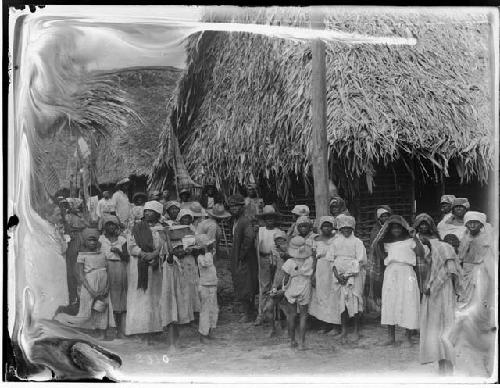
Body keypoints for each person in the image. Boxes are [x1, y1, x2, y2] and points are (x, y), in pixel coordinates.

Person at [444, 211, 496, 376]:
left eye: (475, 223)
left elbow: (489, 258)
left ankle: (478, 332)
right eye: (469, 223)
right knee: (464, 302)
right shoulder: (465, 237)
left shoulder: (486, 239)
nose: (472, 225)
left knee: (479, 301)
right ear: (466, 224)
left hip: (480, 271)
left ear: (481, 225)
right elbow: (461, 256)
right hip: (466, 271)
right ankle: (462, 333)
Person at [372, 215, 427, 346]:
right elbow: (379, 253)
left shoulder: (411, 241)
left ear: (403, 229)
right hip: (391, 272)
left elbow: (421, 253)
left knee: (408, 302)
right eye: (393, 228)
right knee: (390, 302)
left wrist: (415, 237)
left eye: (398, 227)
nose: (396, 230)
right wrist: (378, 241)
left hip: (407, 272)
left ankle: (408, 337)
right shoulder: (387, 243)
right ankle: (391, 338)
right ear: (389, 230)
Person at [55, 228, 115, 339]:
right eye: (89, 240)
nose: (92, 243)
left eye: (94, 240)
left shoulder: (102, 254)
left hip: (103, 282)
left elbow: (107, 270)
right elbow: (80, 274)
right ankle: (62, 318)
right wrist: (90, 289)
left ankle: (101, 332)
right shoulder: (82, 255)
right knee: (86, 313)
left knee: (101, 308)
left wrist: (106, 287)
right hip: (89, 283)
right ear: (85, 242)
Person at [419, 233, 462, 375]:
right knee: (436, 327)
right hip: (435, 294)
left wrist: (432, 287)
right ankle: (441, 363)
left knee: (447, 328)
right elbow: (430, 273)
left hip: (444, 293)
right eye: (448, 242)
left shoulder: (451, 262)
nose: (450, 246)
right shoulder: (434, 258)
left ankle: (449, 365)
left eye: (453, 244)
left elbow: (450, 276)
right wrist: (429, 286)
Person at [126, 201, 167, 341]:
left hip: (155, 267)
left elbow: (164, 247)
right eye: (146, 211)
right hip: (139, 265)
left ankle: (154, 330)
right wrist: (144, 254)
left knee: (154, 298)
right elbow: (131, 246)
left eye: (151, 211)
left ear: (157, 214)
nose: (148, 213)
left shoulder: (161, 229)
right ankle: (140, 330)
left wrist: (156, 256)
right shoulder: (137, 227)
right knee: (141, 297)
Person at [330, 215, 367, 342]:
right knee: (342, 303)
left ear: (352, 228)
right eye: (343, 228)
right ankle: (344, 330)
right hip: (339, 277)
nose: (346, 230)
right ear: (340, 228)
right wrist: (337, 275)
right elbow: (331, 260)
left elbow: (360, 261)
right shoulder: (335, 242)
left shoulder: (358, 242)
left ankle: (356, 330)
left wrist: (348, 275)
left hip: (353, 276)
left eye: (349, 228)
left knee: (354, 301)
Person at [279, 236, 314, 350]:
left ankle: (292, 340)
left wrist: (283, 289)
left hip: (292, 287)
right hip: (305, 286)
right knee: (303, 316)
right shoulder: (309, 261)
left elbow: (285, 278)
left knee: (292, 315)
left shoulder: (289, 262)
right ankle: (302, 343)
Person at [228, 194, 259, 323]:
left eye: (236, 206)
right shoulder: (235, 221)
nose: (233, 209)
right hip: (239, 257)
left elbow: (249, 237)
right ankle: (249, 311)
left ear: (242, 207)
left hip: (245, 258)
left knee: (245, 284)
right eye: (231, 207)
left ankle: (248, 313)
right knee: (243, 283)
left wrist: (242, 254)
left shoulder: (244, 221)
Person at [162, 241, 196, 350]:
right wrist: (171, 253)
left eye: (182, 247)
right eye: (178, 248)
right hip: (171, 295)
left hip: (178, 294)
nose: (181, 250)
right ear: (173, 251)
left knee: (177, 318)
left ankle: (176, 342)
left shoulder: (182, 261)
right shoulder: (170, 260)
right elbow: (169, 260)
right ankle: (171, 345)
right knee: (172, 318)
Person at [99, 216, 129, 339]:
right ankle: (105, 330)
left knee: (120, 297)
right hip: (105, 268)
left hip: (119, 267)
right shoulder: (101, 240)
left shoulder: (122, 240)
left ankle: (120, 330)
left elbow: (127, 257)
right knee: (106, 297)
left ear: (117, 226)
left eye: (113, 225)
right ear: (104, 227)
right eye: (108, 224)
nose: (111, 227)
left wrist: (119, 252)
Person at [308, 216, 338, 334]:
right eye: (324, 226)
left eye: (329, 226)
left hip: (333, 268)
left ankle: (335, 325)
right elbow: (314, 258)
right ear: (320, 227)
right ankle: (324, 324)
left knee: (333, 296)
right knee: (321, 296)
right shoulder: (316, 240)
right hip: (321, 269)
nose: (326, 228)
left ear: (332, 227)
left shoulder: (336, 239)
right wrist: (313, 273)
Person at [254, 205, 281, 326]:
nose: (269, 220)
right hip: (263, 259)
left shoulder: (279, 232)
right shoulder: (260, 231)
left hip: (275, 259)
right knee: (264, 287)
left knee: (275, 286)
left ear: (275, 219)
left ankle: (274, 315)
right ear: (264, 220)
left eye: (272, 218)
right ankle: (261, 314)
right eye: (267, 218)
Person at [365, 205, 392, 314]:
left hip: (391, 259)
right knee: (379, 284)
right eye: (382, 216)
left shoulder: (393, 228)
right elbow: (374, 244)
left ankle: (391, 309)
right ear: (378, 218)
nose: (385, 218)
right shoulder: (376, 229)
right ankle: (381, 311)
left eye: (387, 216)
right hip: (379, 262)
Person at [64, 199, 89, 305]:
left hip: (80, 239)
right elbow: (67, 227)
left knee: (82, 266)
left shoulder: (80, 216)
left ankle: (81, 295)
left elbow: (86, 224)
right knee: (73, 267)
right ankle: (74, 296)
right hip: (73, 239)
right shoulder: (68, 216)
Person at [195, 234, 219, 343]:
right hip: (204, 286)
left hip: (212, 285)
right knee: (205, 310)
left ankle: (209, 332)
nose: (211, 246)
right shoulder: (201, 257)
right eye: (209, 245)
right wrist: (207, 251)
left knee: (213, 310)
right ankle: (203, 334)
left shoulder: (210, 255)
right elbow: (206, 263)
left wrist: (209, 252)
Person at [176, 209, 201, 315]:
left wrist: (193, 249)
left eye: (188, 218)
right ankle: (184, 311)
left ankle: (195, 309)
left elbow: (199, 243)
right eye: (184, 218)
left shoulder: (194, 229)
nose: (186, 220)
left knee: (193, 284)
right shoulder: (176, 229)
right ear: (180, 219)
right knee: (182, 284)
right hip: (180, 259)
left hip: (191, 259)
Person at [413, 213, 440, 294]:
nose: (424, 227)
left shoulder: (435, 238)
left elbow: (438, 252)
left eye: (426, 225)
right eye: (421, 224)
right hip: (418, 266)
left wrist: (429, 244)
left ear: (430, 226)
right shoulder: (415, 237)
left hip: (432, 266)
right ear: (417, 226)